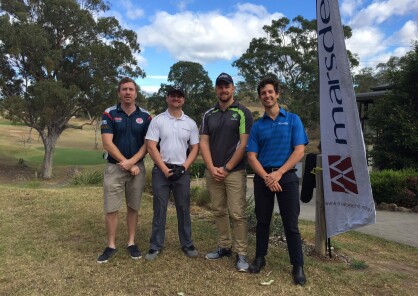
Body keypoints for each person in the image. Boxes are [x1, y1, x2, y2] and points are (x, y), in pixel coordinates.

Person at [246, 77, 309, 285]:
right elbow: (251, 156)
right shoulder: (257, 126)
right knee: (262, 221)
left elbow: (299, 150)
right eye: (263, 93)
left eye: (270, 92)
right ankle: (260, 258)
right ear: (260, 97)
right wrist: (266, 177)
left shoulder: (293, 120)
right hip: (263, 177)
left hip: (287, 177)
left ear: (277, 94)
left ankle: (297, 266)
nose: (267, 95)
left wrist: (279, 173)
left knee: (291, 224)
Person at [200, 72, 253, 272]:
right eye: (220, 86)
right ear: (216, 89)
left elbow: (244, 144)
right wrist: (211, 167)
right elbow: (203, 142)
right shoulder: (208, 114)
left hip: (234, 172)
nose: (224, 90)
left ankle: (241, 253)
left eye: (227, 86)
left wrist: (227, 167)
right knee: (219, 210)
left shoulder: (242, 112)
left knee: (238, 213)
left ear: (233, 88)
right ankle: (224, 246)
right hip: (213, 171)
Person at [97, 77, 152, 263]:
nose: (128, 92)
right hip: (115, 167)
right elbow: (107, 142)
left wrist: (133, 162)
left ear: (136, 93)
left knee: (133, 206)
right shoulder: (110, 113)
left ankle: (131, 242)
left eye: (131, 89)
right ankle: (111, 245)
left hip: (138, 168)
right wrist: (125, 162)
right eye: (124, 89)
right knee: (111, 208)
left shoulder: (145, 116)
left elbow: (148, 144)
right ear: (119, 92)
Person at [144, 86, 199, 260]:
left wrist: (183, 167)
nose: (176, 98)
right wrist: (164, 168)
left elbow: (195, 148)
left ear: (184, 100)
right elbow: (151, 146)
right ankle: (155, 245)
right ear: (167, 98)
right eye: (173, 96)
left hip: (182, 169)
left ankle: (187, 243)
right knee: (159, 207)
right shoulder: (158, 120)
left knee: (183, 208)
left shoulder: (190, 123)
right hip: (161, 170)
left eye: (179, 96)